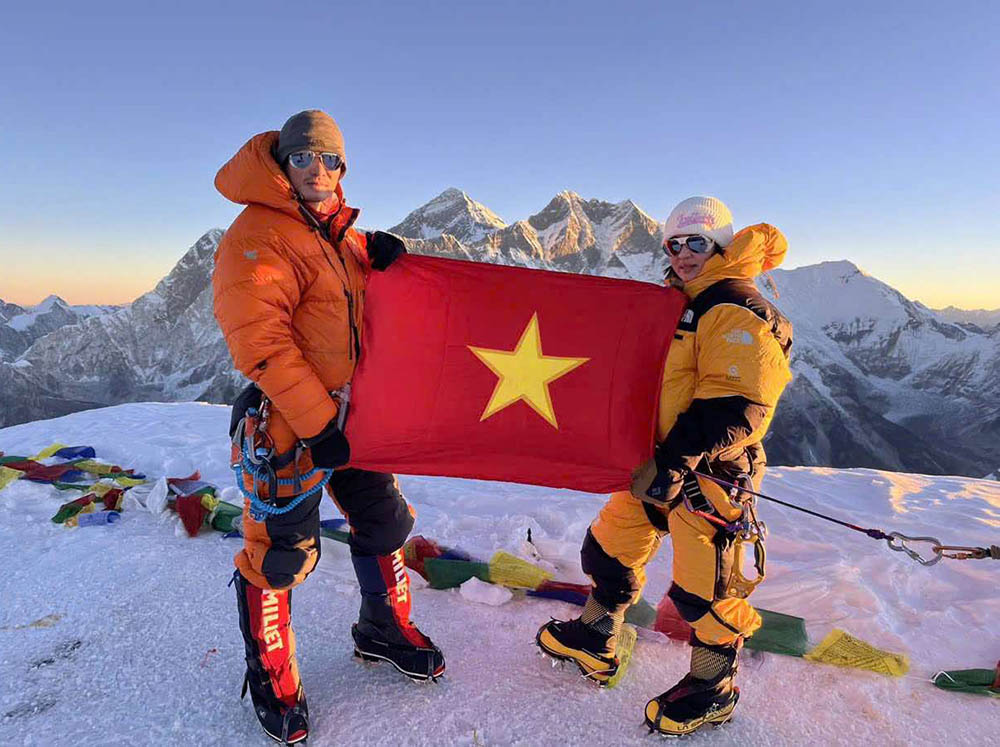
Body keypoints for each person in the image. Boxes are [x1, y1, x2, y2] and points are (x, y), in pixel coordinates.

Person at [212, 110, 444, 745]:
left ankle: (381, 629)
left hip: (355, 416)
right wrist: (317, 424)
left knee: (386, 522)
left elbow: (338, 298)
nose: (318, 169)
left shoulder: (336, 233)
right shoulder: (257, 233)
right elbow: (260, 342)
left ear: (344, 167)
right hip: (292, 424)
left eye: (331, 159)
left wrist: (379, 256)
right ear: (282, 163)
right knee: (280, 554)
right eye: (304, 158)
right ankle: (273, 678)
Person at [535, 196, 792, 736]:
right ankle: (595, 636)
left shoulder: (735, 305)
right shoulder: (679, 301)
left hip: (710, 475)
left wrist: (675, 462)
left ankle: (711, 687)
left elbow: (741, 403)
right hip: (654, 463)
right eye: (674, 244)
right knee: (608, 547)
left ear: (720, 244)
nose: (683, 254)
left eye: (696, 243)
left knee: (706, 590)